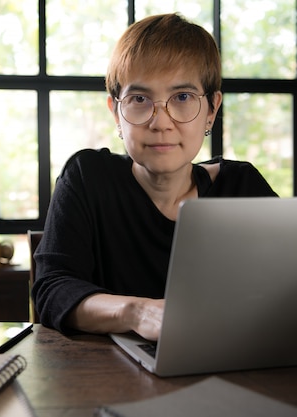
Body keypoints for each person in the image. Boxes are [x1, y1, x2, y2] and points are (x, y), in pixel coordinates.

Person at [32, 13, 277, 341]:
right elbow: (52, 290)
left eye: (182, 97)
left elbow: (292, 285)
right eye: (139, 99)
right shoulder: (87, 178)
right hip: (108, 380)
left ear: (211, 110)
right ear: (116, 113)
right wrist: (137, 312)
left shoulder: (242, 187)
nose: (161, 122)